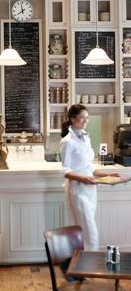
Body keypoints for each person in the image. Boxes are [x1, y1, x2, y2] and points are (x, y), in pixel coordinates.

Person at [60, 104, 120, 250]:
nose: (85, 121)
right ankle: (89, 265)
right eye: (82, 118)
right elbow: (65, 171)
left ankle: (79, 263)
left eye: (87, 118)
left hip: (90, 189)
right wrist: (83, 179)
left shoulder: (86, 138)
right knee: (89, 230)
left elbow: (90, 167)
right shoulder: (67, 142)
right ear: (73, 118)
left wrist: (107, 174)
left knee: (82, 228)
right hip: (77, 189)